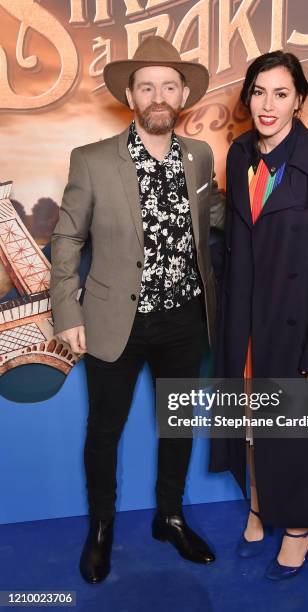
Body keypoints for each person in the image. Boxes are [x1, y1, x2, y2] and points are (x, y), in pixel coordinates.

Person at [50, 35, 224, 583]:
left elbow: (215, 212)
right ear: (130, 94)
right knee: (105, 429)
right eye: (146, 85)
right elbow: (66, 241)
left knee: (176, 424)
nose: (157, 95)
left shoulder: (198, 156)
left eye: (168, 86)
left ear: (182, 97)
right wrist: (67, 313)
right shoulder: (93, 159)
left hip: (184, 320)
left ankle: (169, 517)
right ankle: (101, 526)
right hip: (112, 320)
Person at [210, 50, 308, 580]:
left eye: (280, 93)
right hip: (249, 319)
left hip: (305, 322)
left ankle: (298, 528)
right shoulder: (238, 154)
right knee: (253, 419)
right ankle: (259, 503)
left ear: (299, 99)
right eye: (258, 92)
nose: (267, 105)